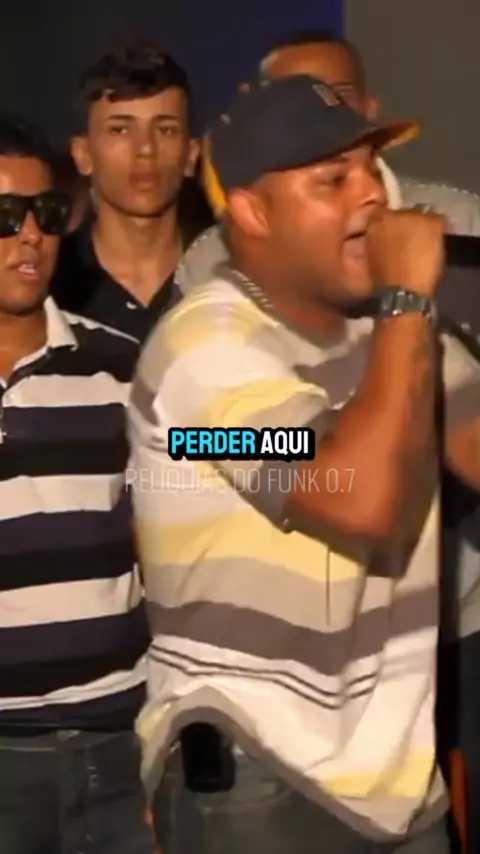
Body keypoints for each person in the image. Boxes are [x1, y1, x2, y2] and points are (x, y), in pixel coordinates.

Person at [130, 75, 480, 853]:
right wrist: (406, 302)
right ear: (254, 213)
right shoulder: (198, 359)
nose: (373, 195)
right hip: (266, 785)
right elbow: (358, 499)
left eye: (370, 169)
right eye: (332, 180)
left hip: (395, 785)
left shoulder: (392, 335)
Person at [0, 113, 156, 853]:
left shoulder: (124, 367)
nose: (31, 235)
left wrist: (310, 444)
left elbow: (208, 450)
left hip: (118, 744)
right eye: (6, 215)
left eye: (47, 212)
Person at [52, 35, 213, 342]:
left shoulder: (232, 275)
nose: (146, 149)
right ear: (82, 154)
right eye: (120, 129)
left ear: (192, 155)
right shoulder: (50, 285)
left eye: (166, 130)